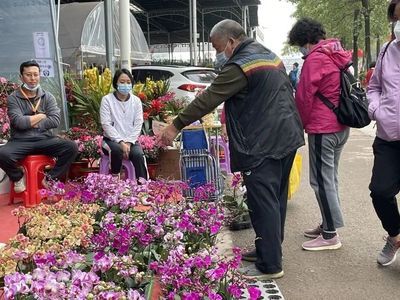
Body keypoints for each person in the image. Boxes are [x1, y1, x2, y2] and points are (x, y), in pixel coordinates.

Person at [159, 19, 304, 280]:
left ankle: (270, 265)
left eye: (218, 47)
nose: (218, 53)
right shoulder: (268, 55)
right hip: (286, 135)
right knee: (275, 199)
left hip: (263, 142)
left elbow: (209, 97)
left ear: (232, 42)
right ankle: (267, 249)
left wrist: (175, 125)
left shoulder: (240, 64)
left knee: (263, 203)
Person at [288, 18, 351, 251]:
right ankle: (327, 222)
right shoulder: (337, 53)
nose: (300, 50)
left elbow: (304, 97)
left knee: (321, 182)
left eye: (298, 45)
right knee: (330, 178)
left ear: (305, 40)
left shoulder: (315, 59)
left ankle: (330, 234)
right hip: (341, 126)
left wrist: (299, 125)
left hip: (323, 128)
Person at [0, 60, 78, 192]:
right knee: (1, 153)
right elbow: (18, 122)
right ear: (21, 77)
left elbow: (55, 120)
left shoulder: (48, 97)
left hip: (45, 139)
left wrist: (31, 123)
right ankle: (18, 176)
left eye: (35, 74)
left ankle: (50, 179)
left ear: (39, 75)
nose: (32, 78)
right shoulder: (14, 98)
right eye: (28, 75)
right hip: (20, 141)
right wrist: (42, 116)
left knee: (71, 147)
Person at [367, 0, 400, 267]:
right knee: (379, 191)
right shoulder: (387, 50)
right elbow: (374, 86)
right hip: (389, 138)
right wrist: (376, 109)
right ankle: (395, 235)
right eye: (398, 19)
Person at [100, 69, 148, 180]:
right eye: (122, 82)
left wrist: (129, 143)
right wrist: (121, 142)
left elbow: (138, 123)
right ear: (116, 83)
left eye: (128, 82)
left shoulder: (136, 101)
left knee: (138, 155)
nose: (125, 85)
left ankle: (143, 187)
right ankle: (115, 182)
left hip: (131, 141)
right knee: (116, 150)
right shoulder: (107, 100)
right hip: (110, 141)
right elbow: (106, 124)